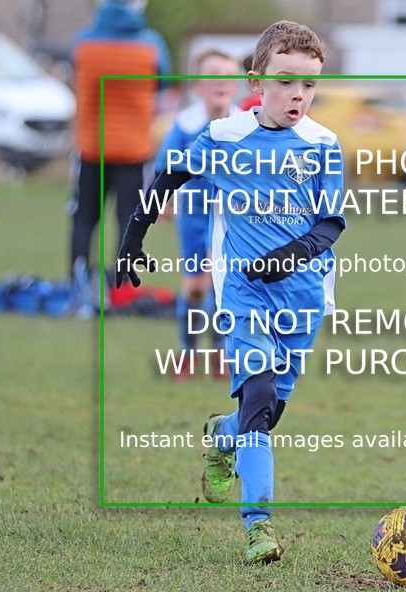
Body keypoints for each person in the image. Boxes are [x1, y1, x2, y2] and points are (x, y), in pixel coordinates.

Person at [115, 21, 344, 562]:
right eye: (287, 81)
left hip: (304, 296)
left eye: (309, 84)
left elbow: (330, 225)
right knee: (259, 401)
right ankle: (257, 526)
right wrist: (132, 237)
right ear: (256, 81)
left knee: (263, 415)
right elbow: (169, 176)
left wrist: (289, 257)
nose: (298, 95)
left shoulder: (323, 143)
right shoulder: (224, 138)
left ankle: (222, 436)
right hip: (242, 292)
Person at [68, 0, 171, 286]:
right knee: (128, 219)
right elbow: (162, 81)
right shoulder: (151, 45)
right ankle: (121, 285)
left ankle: (78, 280)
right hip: (133, 149)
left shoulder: (82, 43)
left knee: (84, 218)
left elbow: (72, 70)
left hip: (91, 146)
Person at [153, 50, 241, 379]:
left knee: (221, 285)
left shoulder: (243, 126)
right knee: (194, 288)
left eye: (228, 75)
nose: (221, 81)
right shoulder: (186, 124)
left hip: (229, 217)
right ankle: (187, 352)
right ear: (197, 84)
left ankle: (220, 354)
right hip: (193, 214)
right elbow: (164, 166)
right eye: (213, 75)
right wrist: (162, 200)